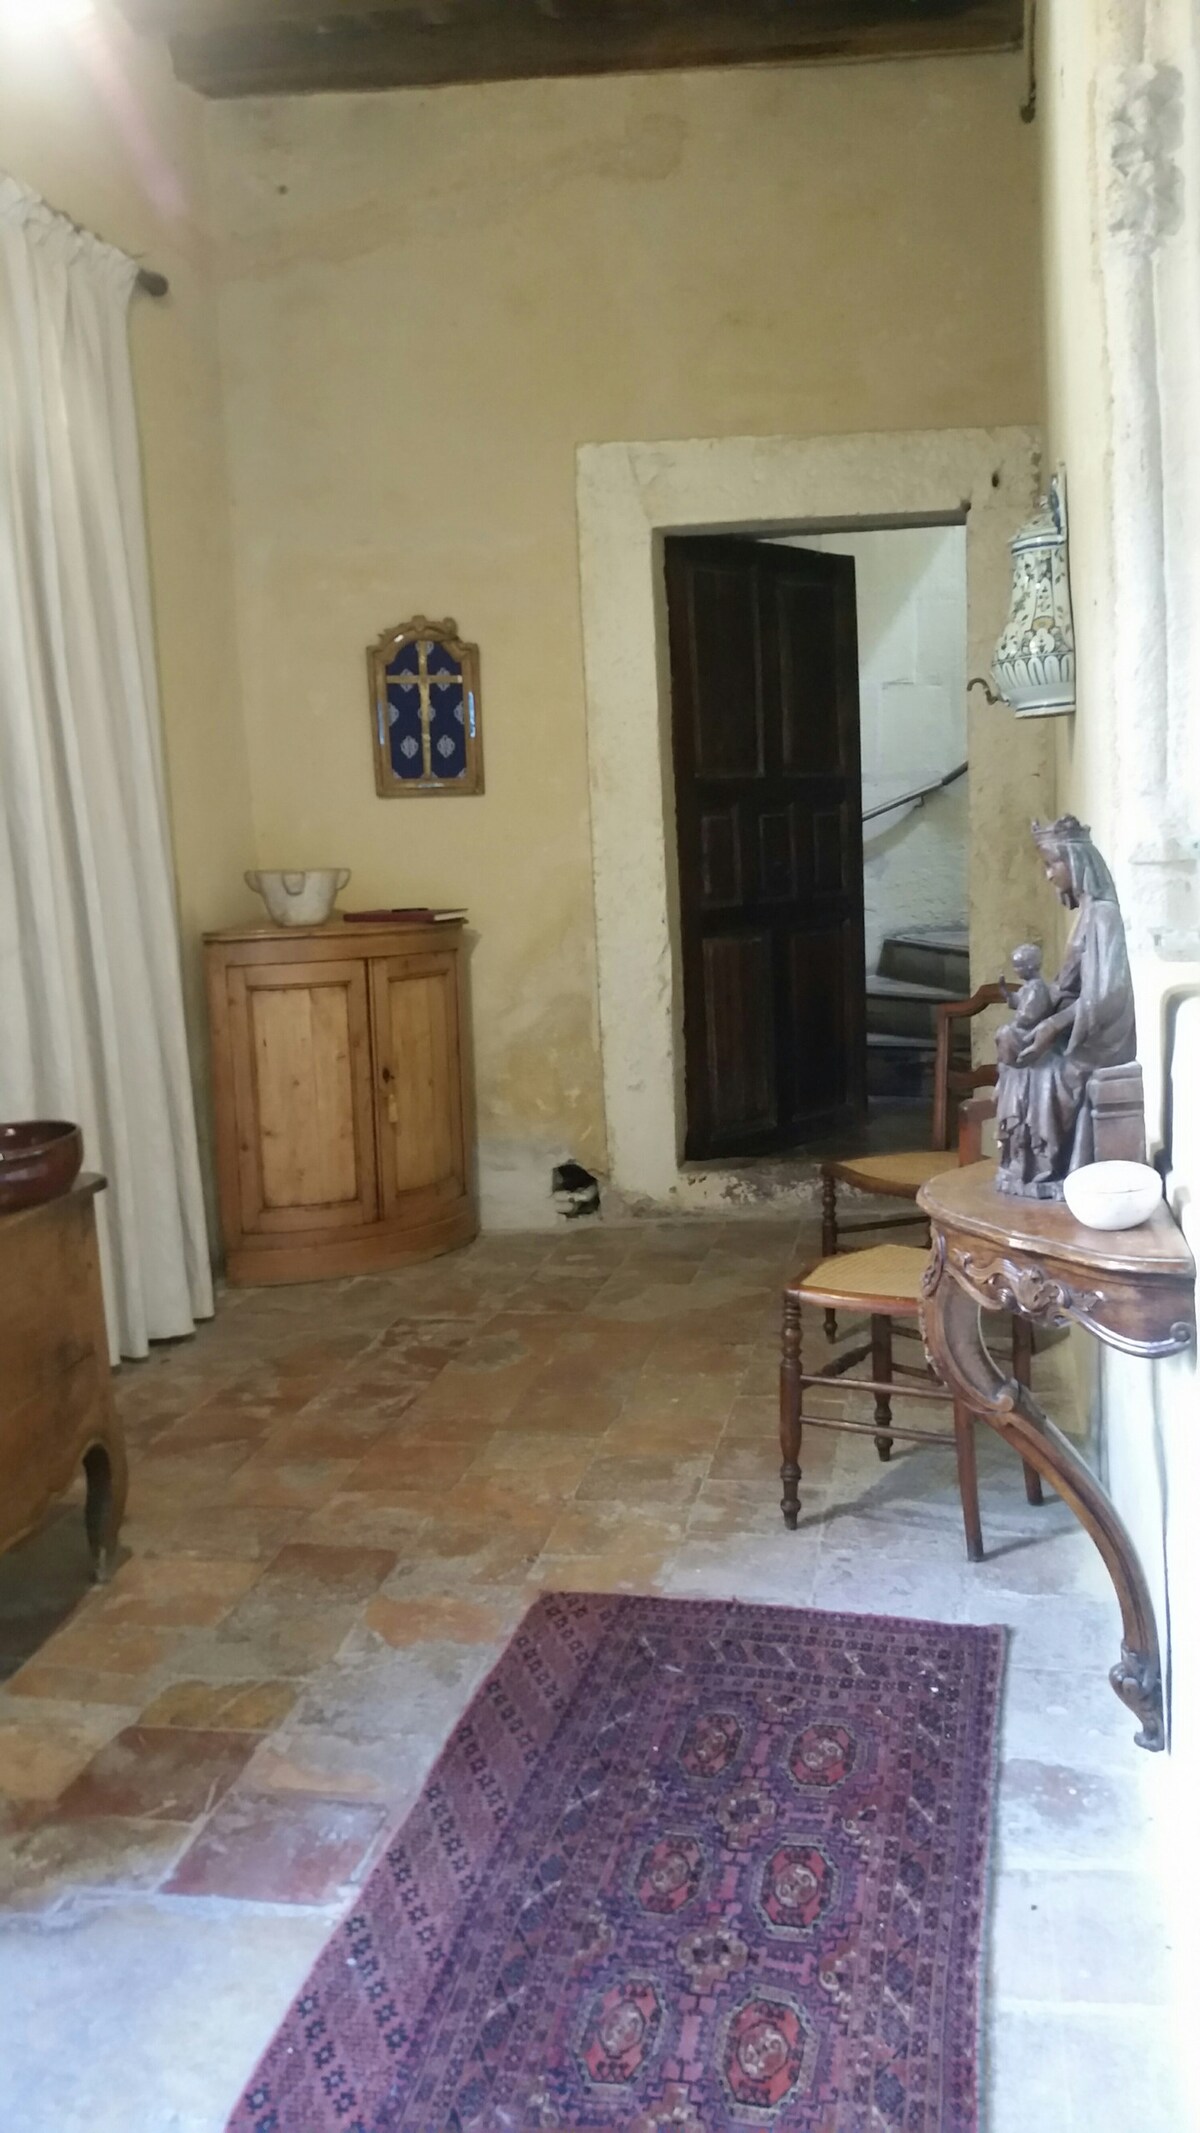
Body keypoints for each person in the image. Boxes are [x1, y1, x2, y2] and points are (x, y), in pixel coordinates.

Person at [994, 818, 1136, 1198]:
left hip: (1102, 1038)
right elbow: (1069, 987)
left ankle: (1046, 1167)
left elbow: (1108, 994)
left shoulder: (1103, 915)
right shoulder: (1085, 915)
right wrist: (1040, 1010)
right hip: (1081, 1025)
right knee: (1014, 1048)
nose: (1048, 875)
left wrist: (1054, 1025)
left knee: (1046, 1071)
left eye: (1052, 864)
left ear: (1075, 862)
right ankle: (1021, 1162)